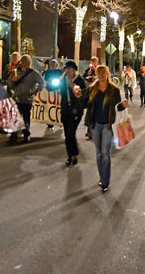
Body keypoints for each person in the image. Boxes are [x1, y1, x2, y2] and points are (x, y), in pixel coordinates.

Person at [73, 65, 129, 193]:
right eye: (99, 73)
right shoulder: (92, 89)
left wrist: (123, 105)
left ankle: (105, 181)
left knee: (105, 153)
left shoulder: (113, 90)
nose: (102, 75)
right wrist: (78, 96)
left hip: (108, 125)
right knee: (99, 153)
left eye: (104, 73)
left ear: (107, 74)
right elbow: (83, 104)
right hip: (95, 125)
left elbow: (117, 107)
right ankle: (101, 177)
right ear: (97, 75)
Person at [8, 55, 45, 144]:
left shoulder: (33, 73)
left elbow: (42, 82)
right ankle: (14, 136)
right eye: (22, 61)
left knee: (26, 118)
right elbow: (9, 82)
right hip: (17, 98)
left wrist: (35, 91)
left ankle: (26, 134)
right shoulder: (17, 72)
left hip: (27, 99)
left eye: (24, 61)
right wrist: (13, 81)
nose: (22, 62)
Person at [60, 61, 86, 166]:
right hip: (65, 110)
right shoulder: (62, 80)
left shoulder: (79, 80)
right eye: (67, 69)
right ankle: (70, 156)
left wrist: (76, 89)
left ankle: (74, 154)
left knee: (71, 133)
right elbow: (51, 88)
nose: (68, 70)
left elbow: (84, 92)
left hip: (76, 110)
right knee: (67, 135)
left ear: (74, 70)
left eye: (70, 68)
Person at [43, 59, 64, 134]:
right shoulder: (48, 72)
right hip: (50, 90)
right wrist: (49, 80)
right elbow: (45, 79)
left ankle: (60, 121)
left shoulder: (59, 71)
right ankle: (50, 124)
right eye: (51, 63)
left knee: (58, 106)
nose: (53, 65)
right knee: (50, 107)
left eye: (54, 63)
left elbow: (62, 78)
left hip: (58, 90)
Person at [83, 56, 99, 140]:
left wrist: (94, 71)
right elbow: (84, 77)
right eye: (92, 61)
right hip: (90, 93)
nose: (93, 62)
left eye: (94, 61)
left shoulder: (98, 70)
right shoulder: (88, 70)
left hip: (97, 93)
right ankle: (89, 131)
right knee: (90, 113)